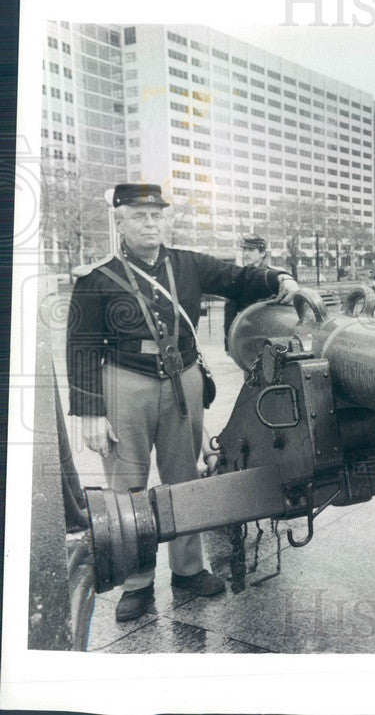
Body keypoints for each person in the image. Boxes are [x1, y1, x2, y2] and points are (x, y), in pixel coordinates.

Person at [66, 183, 300, 621]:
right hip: (123, 382)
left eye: (157, 215)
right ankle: (136, 581)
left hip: (182, 379)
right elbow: (80, 346)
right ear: (120, 221)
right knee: (127, 485)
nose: (150, 222)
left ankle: (189, 569)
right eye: (139, 215)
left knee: (184, 479)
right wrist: (91, 412)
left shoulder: (186, 264)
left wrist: (280, 277)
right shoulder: (97, 276)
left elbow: (240, 278)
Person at [223, 235, 271, 351]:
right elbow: (229, 313)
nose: (246, 253)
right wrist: (229, 345)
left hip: (270, 340)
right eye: (244, 249)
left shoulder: (272, 278)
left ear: (262, 253)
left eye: (251, 249)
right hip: (246, 341)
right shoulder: (238, 277)